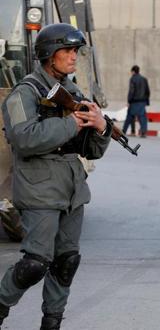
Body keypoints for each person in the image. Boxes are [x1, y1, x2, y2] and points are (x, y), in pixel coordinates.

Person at [0, 23, 112, 329]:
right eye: (68, 50)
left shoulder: (71, 92)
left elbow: (91, 150)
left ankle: (52, 322)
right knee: (35, 264)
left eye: (76, 51)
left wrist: (101, 128)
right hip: (39, 189)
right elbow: (23, 138)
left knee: (66, 262)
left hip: (71, 188)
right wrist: (71, 125)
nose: (74, 57)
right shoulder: (25, 93)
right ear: (49, 54)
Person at [123, 65, 150, 137]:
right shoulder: (144, 79)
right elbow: (147, 91)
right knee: (142, 117)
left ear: (133, 71)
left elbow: (131, 91)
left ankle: (124, 131)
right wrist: (146, 102)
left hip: (134, 101)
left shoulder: (133, 79)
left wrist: (129, 101)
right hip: (142, 101)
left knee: (130, 116)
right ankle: (143, 132)